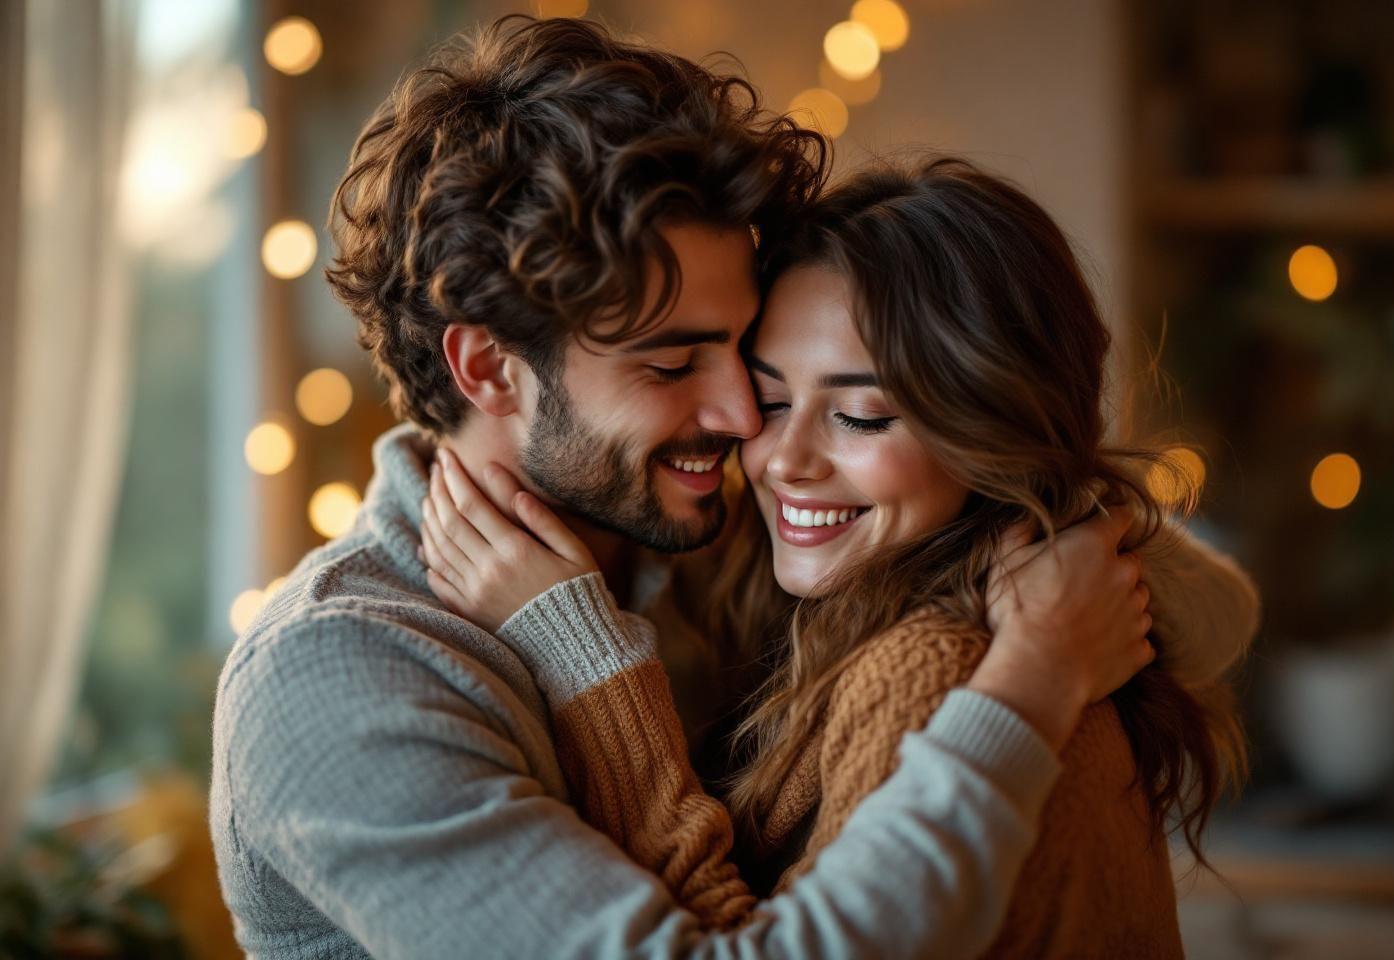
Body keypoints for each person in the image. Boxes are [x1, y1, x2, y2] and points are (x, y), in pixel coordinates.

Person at [212, 16, 1164, 959]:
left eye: (742, 353)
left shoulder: (715, 558)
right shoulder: (340, 674)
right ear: (491, 369)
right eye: (671, 367)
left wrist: (1071, 548)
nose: (747, 421)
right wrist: (1035, 670)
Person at [417, 156, 1258, 956]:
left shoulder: (938, 668)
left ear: (991, 433)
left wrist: (583, 659)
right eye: (772, 400)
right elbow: (1222, 609)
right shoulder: (932, 591)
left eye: (859, 416)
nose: (784, 460)